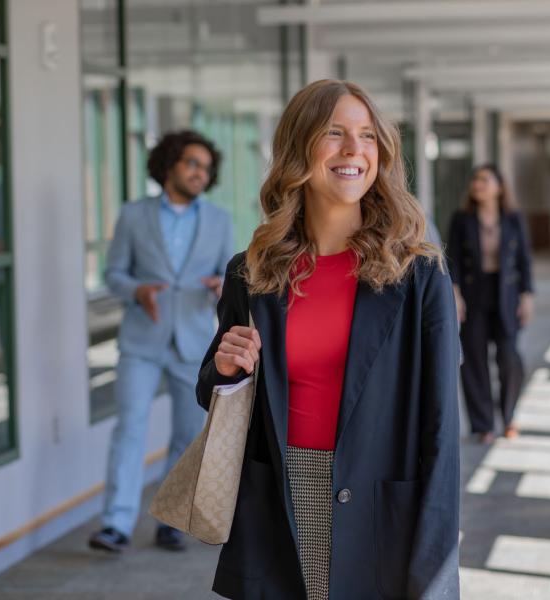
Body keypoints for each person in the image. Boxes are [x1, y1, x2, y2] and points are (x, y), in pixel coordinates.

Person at [196, 80, 460, 599]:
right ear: (300, 148)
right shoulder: (252, 273)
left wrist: (435, 571)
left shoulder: (419, 275)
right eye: (334, 133)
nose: (352, 150)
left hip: (380, 510)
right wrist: (224, 370)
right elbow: (212, 389)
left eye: (366, 136)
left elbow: (443, 430)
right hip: (279, 504)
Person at [88, 130, 234, 553]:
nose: (199, 174)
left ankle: (172, 520)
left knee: (189, 435)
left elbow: (233, 275)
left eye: (206, 168)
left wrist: (220, 285)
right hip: (141, 340)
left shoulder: (219, 220)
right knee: (130, 428)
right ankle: (116, 523)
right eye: (191, 163)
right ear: (169, 165)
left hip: (192, 341)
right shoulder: (134, 215)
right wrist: (137, 291)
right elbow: (112, 273)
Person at [447, 164, 534, 443]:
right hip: (474, 295)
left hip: (505, 294)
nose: (477, 184)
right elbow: (453, 262)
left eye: (484, 179)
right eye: (475, 179)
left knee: (510, 357)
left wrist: (527, 296)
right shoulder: (462, 219)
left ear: (499, 187)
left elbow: (524, 260)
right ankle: (483, 424)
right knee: (473, 360)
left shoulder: (513, 218)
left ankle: (509, 416)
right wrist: (455, 295)